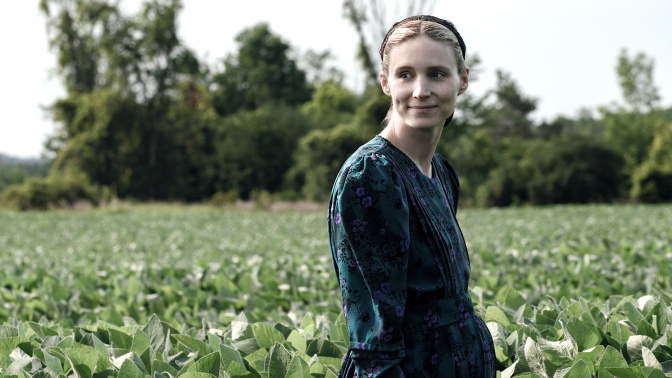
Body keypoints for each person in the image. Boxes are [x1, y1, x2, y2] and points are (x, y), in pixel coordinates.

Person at [327, 15, 496, 377]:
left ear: (462, 80)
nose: (421, 90)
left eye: (436, 73)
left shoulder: (441, 172)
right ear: (386, 83)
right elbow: (376, 335)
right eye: (406, 74)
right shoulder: (372, 175)